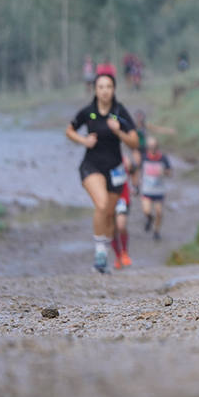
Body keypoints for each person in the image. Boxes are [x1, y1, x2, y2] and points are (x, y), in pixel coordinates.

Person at [65, 73, 139, 273]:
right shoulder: (88, 112)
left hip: (115, 170)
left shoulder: (119, 111)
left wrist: (119, 132)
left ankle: (103, 256)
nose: (105, 90)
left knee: (108, 214)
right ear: (95, 90)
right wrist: (84, 140)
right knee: (102, 203)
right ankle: (99, 250)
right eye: (101, 86)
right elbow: (69, 130)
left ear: (113, 89)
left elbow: (134, 142)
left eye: (108, 86)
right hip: (91, 166)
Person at [139, 135, 172, 241]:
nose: (152, 148)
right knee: (146, 211)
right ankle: (149, 219)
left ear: (157, 146)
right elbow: (138, 169)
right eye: (150, 146)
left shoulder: (163, 158)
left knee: (159, 212)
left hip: (159, 190)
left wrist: (165, 172)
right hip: (147, 190)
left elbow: (170, 173)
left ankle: (156, 231)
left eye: (154, 146)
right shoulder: (144, 157)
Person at [112, 167, 133, 269]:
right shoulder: (101, 160)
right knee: (112, 230)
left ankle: (124, 252)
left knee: (121, 226)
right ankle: (118, 256)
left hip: (122, 199)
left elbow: (134, 170)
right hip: (108, 199)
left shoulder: (124, 160)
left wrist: (135, 185)